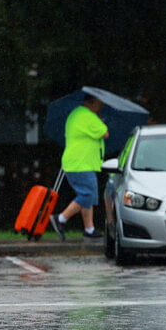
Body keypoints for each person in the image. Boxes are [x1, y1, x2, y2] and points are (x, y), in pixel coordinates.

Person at [50, 95, 109, 240]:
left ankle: (89, 230)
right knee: (87, 195)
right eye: (100, 104)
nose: (101, 107)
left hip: (78, 162)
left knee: (88, 196)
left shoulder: (76, 114)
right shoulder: (88, 116)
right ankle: (61, 219)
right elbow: (105, 133)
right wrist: (100, 121)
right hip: (80, 163)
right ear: (92, 103)